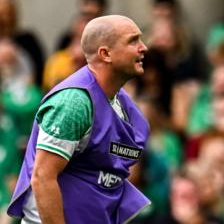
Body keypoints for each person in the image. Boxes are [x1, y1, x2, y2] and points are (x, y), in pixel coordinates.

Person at [7, 15, 151, 223]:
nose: (144, 47)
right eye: (133, 41)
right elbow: (42, 178)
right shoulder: (74, 102)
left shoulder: (121, 103)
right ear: (106, 54)